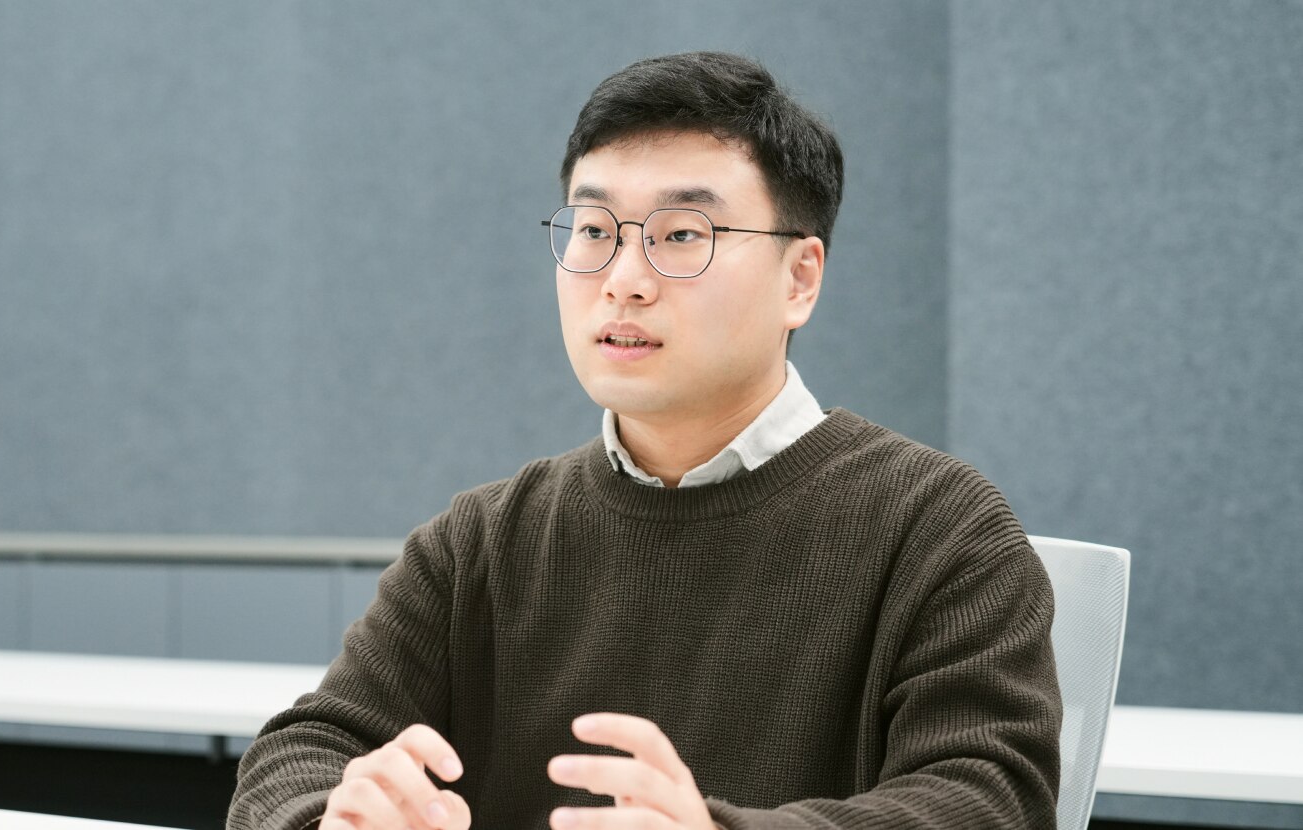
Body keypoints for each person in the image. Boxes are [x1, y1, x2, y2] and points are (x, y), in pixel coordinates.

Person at [228, 51, 1060, 830]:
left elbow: (990, 796)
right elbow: (300, 751)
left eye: (681, 236)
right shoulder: (479, 541)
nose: (624, 278)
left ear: (800, 278)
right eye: (594, 231)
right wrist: (333, 817)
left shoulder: (939, 527)